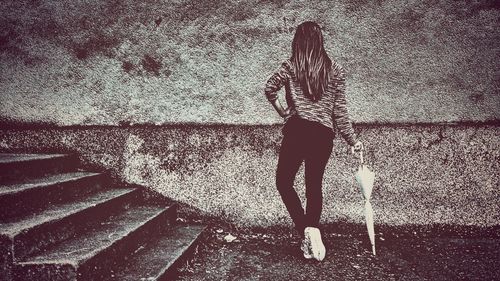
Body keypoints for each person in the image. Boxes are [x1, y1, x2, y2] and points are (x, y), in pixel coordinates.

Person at [264, 21, 363, 261]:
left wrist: (282, 111)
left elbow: (269, 88)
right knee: (313, 186)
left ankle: (306, 231)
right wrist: (353, 140)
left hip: (298, 130)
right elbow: (340, 112)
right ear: (320, 42)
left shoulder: (291, 66)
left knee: (284, 182)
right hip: (323, 135)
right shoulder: (335, 70)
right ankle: (313, 230)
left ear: (297, 41)